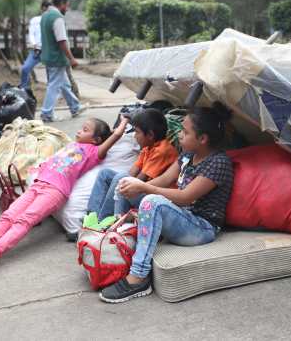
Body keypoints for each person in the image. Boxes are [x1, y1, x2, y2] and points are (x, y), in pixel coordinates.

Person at [0, 116, 130, 272]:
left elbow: (113, 139)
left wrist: (122, 124)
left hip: (55, 191)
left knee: (24, 220)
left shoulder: (93, 152)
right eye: (81, 127)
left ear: (96, 140)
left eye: (86, 130)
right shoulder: (71, 145)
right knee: (8, 216)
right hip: (38, 186)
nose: (80, 130)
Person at [99, 102, 235, 303]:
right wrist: (135, 186)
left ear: (203, 139)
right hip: (181, 215)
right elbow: (163, 180)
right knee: (125, 182)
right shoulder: (188, 155)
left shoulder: (218, 162)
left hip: (201, 228)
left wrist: (145, 189)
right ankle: (117, 237)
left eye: (185, 132)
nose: (179, 134)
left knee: (153, 202)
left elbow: (186, 196)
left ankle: (138, 277)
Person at [86, 109, 179, 226]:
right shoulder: (147, 148)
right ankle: (91, 216)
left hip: (156, 196)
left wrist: (123, 181)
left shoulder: (162, 150)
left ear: (150, 135)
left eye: (137, 132)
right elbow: (132, 172)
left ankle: (106, 223)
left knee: (122, 178)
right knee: (106, 174)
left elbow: (140, 180)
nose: (135, 136)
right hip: (144, 188)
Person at [40, 0, 83, 122]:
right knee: (54, 85)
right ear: (62, 4)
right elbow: (62, 40)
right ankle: (46, 113)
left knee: (64, 84)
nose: (67, 9)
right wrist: (71, 58)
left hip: (48, 56)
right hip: (57, 58)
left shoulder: (45, 16)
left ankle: (75, 107)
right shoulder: (57, 17)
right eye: (67, 5)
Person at [19, 1, 51, 90]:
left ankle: (51, 90)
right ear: (42, 9)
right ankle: (24, 89)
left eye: (48, 9)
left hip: (48, 51)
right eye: (45, 9)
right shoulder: (35, 20)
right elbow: (31, 34)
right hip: (36, 50)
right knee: (25, 68)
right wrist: (34, 44)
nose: (46, 11)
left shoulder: (52, 20)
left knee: (50, 73)